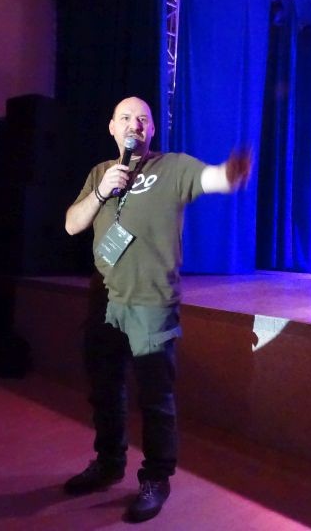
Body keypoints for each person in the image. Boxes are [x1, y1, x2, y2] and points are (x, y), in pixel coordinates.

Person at [63, 96, 250, 522]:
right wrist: (101, 191)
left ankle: (156, 478)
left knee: (155, 398)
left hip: (151, 301)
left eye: (143, 119)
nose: (136, 124)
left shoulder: (172, 167)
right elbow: (72, 224)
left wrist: (230, 173)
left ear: (151, 130)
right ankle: (109, 463)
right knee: (105, 390)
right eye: (126, 117)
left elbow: (214, 178)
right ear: (112, 128)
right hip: (104, 298)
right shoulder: (100, 173)